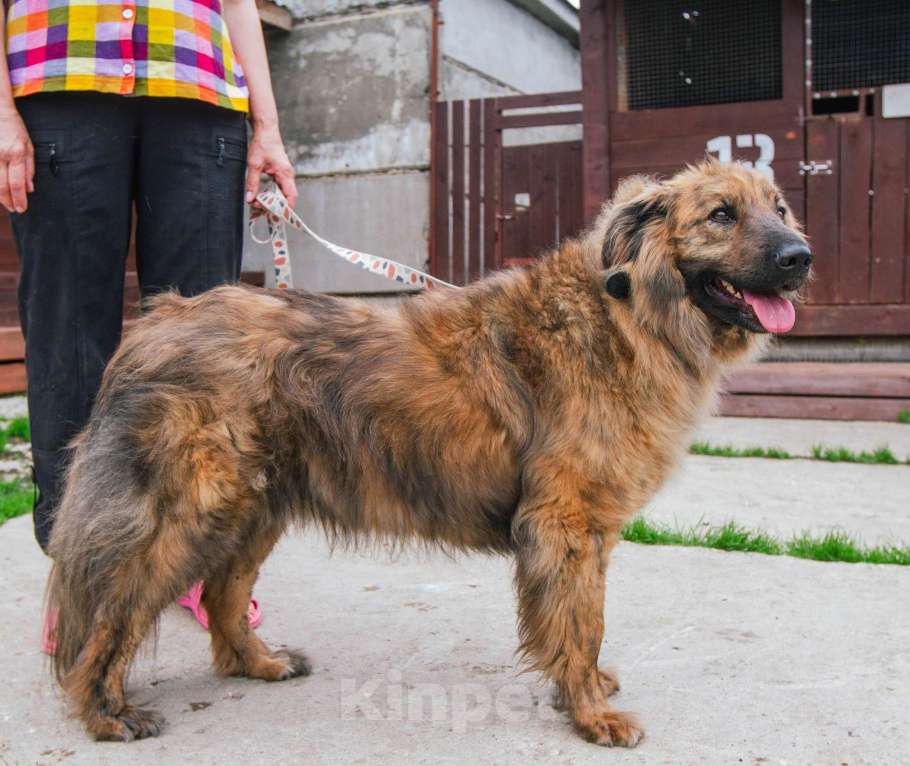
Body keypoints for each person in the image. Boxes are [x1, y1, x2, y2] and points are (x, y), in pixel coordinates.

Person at [0, 0, 298, 638]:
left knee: (202, 350)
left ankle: (200, 564)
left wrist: (267, 126)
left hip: (200, 93)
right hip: (60, 81)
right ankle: (82, 576)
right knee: (68, 339)